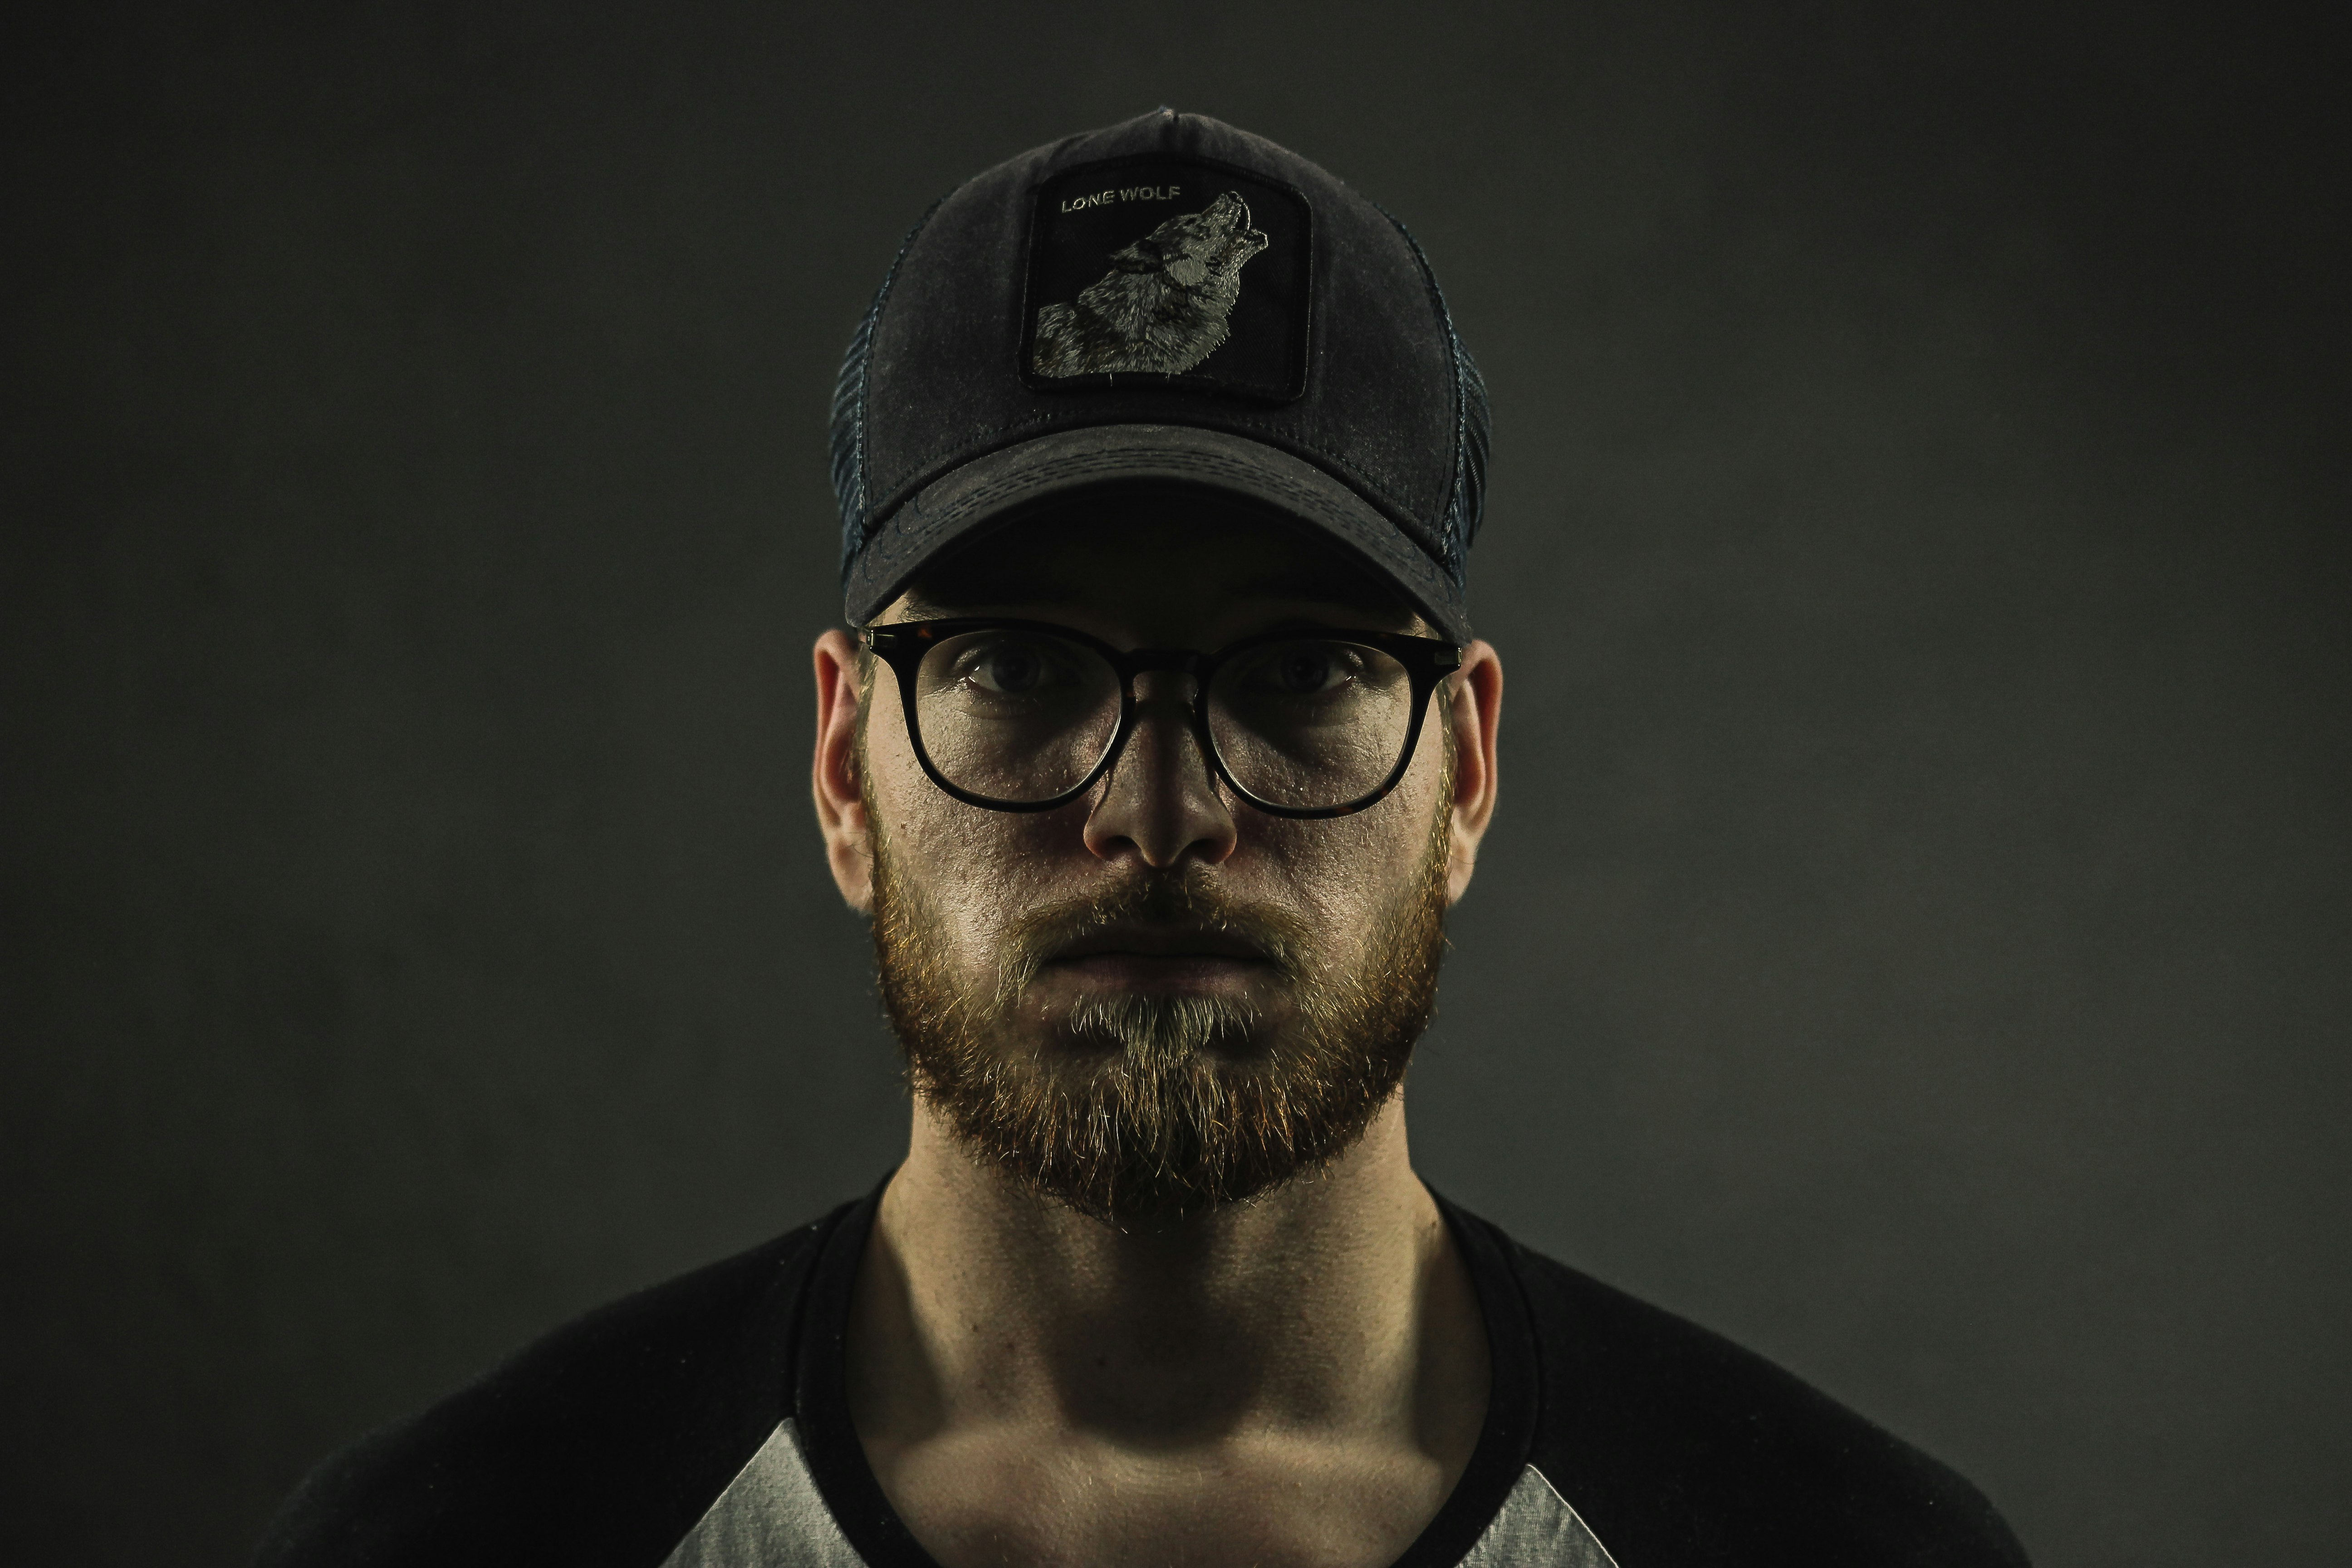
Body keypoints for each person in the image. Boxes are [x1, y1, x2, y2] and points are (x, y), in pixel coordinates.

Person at [256, 111, 2030, 1568]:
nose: (1160, 813)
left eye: (1305, 669)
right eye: (1016, 664)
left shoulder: (1839, 1550)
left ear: (1468, 769)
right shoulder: (464, 1542)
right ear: (842, 767)